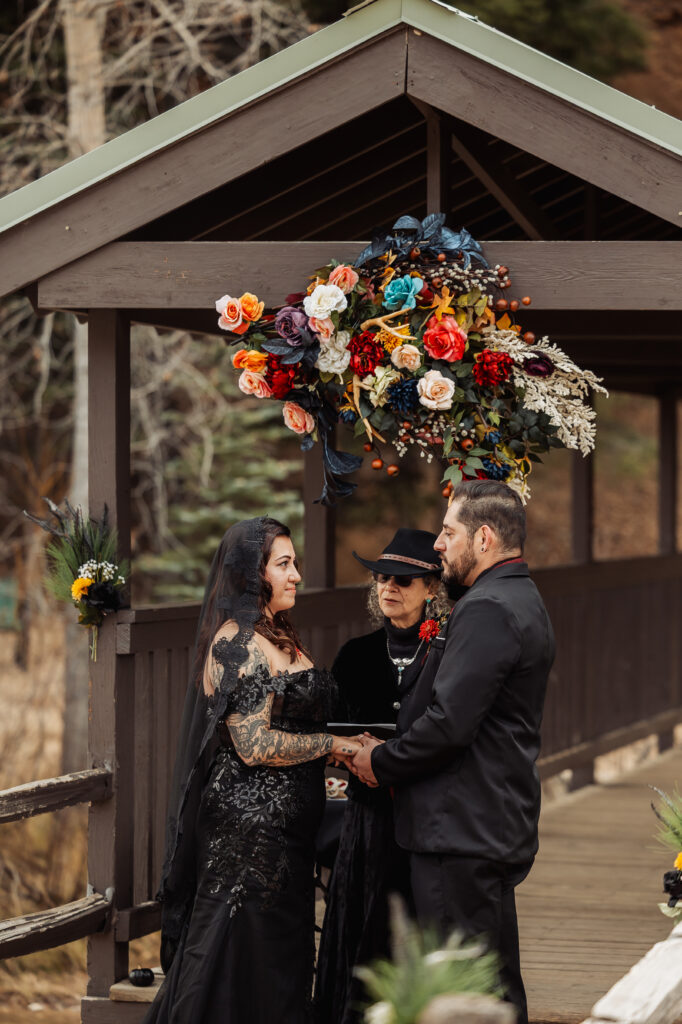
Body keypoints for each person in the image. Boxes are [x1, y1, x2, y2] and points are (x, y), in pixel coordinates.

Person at [352, 480, 555, 1024]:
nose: (438, 543)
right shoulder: (519, 596)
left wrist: (380, 761)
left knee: (460, 985)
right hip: (484, 821)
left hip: (461, 827)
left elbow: (448, 725)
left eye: (448, 532)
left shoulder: (488, 608)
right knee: (490, 980)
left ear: (483, 538)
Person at [146, 516, 361, 1024]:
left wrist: (345, 744)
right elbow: (252, 743)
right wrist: (334, 745)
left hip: (286, 835)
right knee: (238, 961)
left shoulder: (277, 632)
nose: (296, 575)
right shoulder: (236, 643)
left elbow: (290, 721)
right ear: (251, 574)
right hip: (248, 835)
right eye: (283, 564)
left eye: (294, 563)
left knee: (278, 963)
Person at [315, 529, 450, 1024]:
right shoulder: (355, 654)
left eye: (403, 580)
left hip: (423, 814)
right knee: (361, 926)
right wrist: (356, 757)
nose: (388, 587)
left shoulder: (445, 651)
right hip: (367, 817)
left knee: (412, 925)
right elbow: (331, 730)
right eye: (381, 579)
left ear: (430, 588)